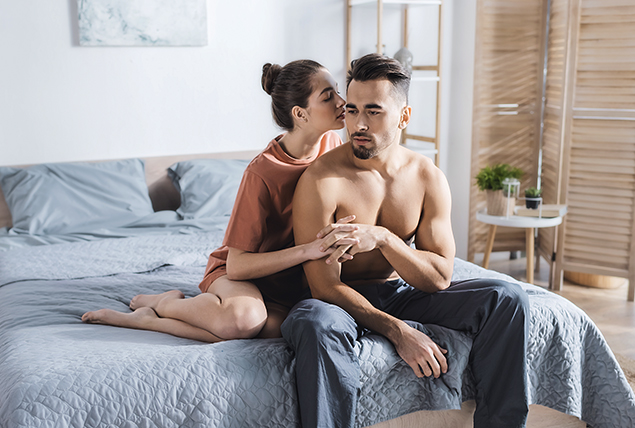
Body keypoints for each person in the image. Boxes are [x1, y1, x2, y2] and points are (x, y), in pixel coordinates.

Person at [283, 53, 530, 428]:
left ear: (404, 116)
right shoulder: (322, 180)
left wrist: (383, 238)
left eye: (374, 111)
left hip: (398, 292)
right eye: (351, 110)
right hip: (338, 303)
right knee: (314, 322)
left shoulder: (427, 176)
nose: (358, 124)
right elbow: (324, 287)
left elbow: (439, 277)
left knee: (507, 296)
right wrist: (399, 331)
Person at [82, 59, 359, 342]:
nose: (342, 102)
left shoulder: (332, 147)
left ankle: (147, 321)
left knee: (275, 331)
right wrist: (307, 251)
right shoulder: (262, 171)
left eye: (338, 91)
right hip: (241, 276)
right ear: (300, 113)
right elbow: (238, 265)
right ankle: (164, 304)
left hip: (285, 281)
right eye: (329, 96)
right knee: (243, 321)